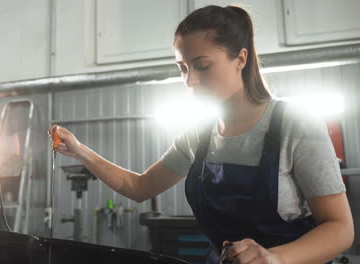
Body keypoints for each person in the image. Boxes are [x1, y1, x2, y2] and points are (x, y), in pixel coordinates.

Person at [49, 5, 353, 264]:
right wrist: (79, 150)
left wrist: (275, 258)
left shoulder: (296, 125)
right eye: (182, 68)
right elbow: (139, 186)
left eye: (202, 66)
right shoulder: (199, 135)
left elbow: (340, 229)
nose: (190, 80)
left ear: (241, 59)